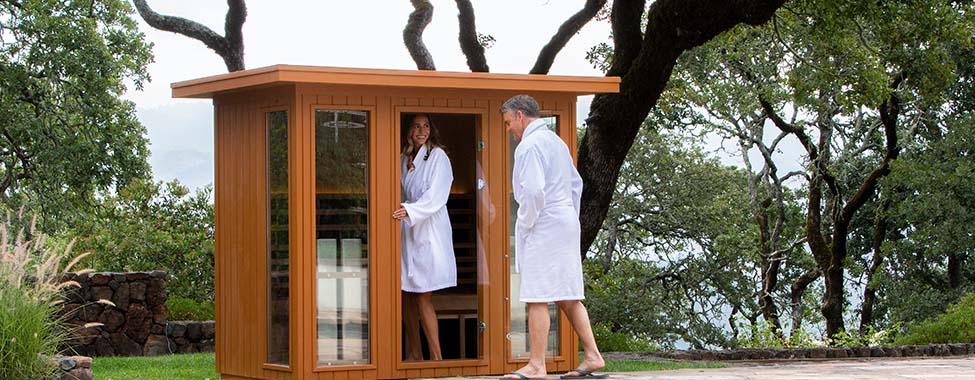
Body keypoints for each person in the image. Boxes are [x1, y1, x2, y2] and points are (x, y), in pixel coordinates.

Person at [500, 95, 606, 380]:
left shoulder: (529, 146)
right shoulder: (556, 142)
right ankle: (593, 356)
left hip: (544, 221)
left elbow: (534, 192)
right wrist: (568, 216)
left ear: (520, 116)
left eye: (509, 123)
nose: (509, 129)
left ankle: (536, 365)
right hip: (564, 219)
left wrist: (526, 221)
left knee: (537, 295)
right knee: (567, 294)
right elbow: (576, 184)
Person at [392, 113, 457, 361]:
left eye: (426, 126)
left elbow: (437, 195)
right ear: (409, 131)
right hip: (407, 230)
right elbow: (396, 190)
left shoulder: (438, 156)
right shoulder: (403, 158)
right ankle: (415, 352)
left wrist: (410, 210)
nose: (422, 130)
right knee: (405, 292)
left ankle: (436, 358)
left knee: (422, 294)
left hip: (428, 227)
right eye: (417, 126)